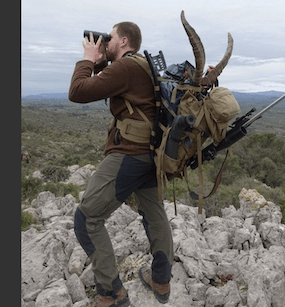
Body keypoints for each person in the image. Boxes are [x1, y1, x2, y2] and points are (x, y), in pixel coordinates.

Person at [68, 22, 174, 307]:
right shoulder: (142, 65)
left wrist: (89, 59)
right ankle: (161, 282)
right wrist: (104, 59)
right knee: (154, 214)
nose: (106, 40)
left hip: (129, 154)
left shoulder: (125, 67)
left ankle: (110, 293)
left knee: (87, 219)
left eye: (110, 37)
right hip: (151, 156)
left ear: (124, 40)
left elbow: (77, 91)